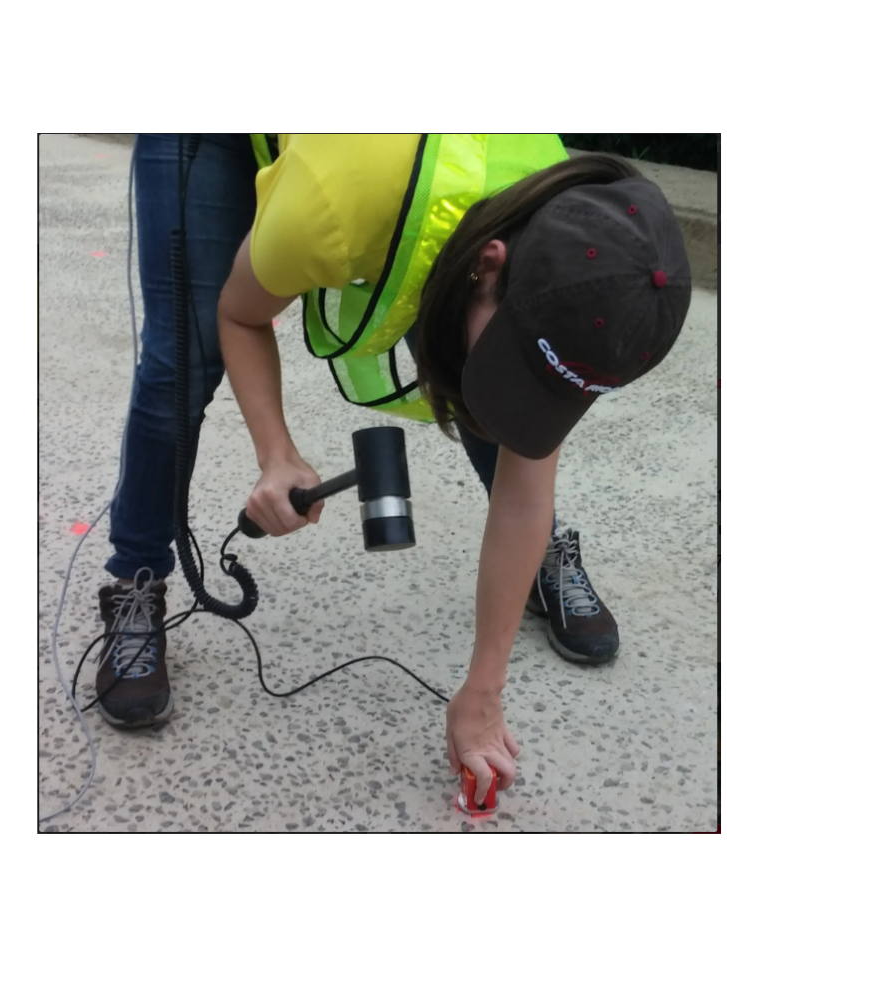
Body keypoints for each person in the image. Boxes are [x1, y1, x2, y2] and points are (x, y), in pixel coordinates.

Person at [96, 134, 691, 805]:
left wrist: (483, 692)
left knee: (492, 384)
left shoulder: (575, 240)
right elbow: (239, 313)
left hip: (407, 182)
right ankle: (135, 576)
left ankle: (538, 557)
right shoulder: (332, 205)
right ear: (486, 265)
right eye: (522, 362)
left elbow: (524, 490)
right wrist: (276, 452)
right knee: (182, 361)